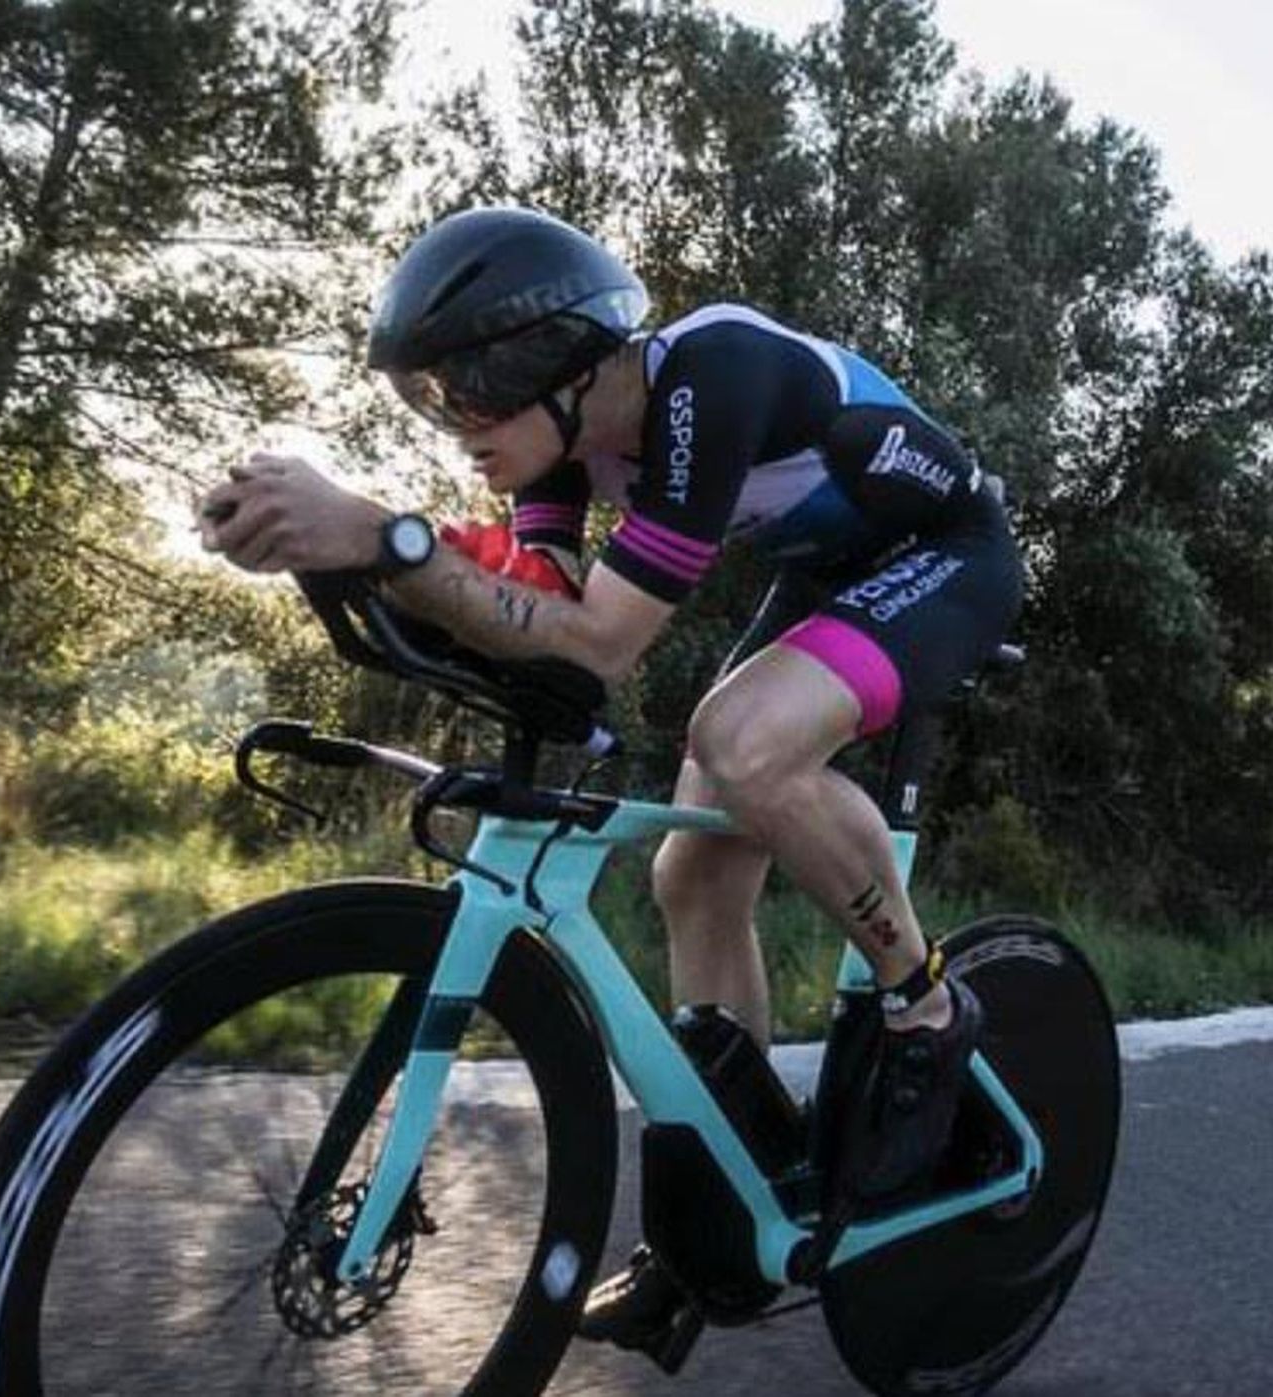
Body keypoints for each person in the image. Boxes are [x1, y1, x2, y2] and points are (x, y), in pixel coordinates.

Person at [198, 206, 1023, 1356]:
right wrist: (346, 555)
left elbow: (600, 642)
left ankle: (924, 1000)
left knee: (742, 742)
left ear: (552, 363)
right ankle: (726, 1214)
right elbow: (527, 609)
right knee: (691, 872)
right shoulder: (557, 446)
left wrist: (384, 536)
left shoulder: (710, 377)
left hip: (948, 556)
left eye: (460, 396)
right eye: (427, 401)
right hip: (829, 572)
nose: (450, 427)